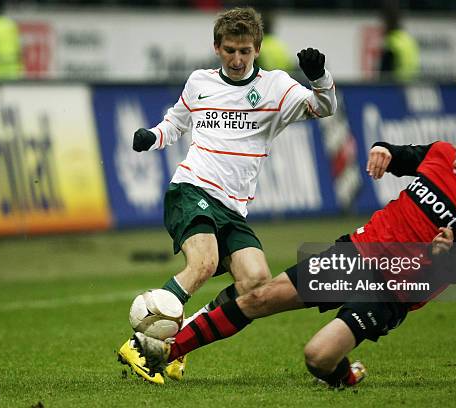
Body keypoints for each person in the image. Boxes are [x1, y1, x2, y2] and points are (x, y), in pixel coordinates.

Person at [131, 110, 456, 387]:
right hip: (358, 252)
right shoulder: (442, 154)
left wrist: (446, 254)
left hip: (393, 292)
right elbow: (400, 155)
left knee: (318, 358)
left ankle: (346, 374)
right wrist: (383, 150)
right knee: (259, 296)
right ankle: (168, 351)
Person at [119, 7, 337, 384]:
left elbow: (324, 107)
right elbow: (176, 123)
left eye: (245, 51)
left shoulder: (277, 88)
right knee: (203, 263)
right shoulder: (199, 82)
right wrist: (152, 137)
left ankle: (175, 343)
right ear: (217, 47)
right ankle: (140, 346)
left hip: (234, 208)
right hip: (191, 189)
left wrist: (320, 77)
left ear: (257, 50)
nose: (237, 60)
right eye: (230, 50)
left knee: (256, 282)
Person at [377, 0, 419, 82]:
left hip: (395, 89)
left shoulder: (391, 43)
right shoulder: (409, 39)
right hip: (410, 86)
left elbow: (384, 77)